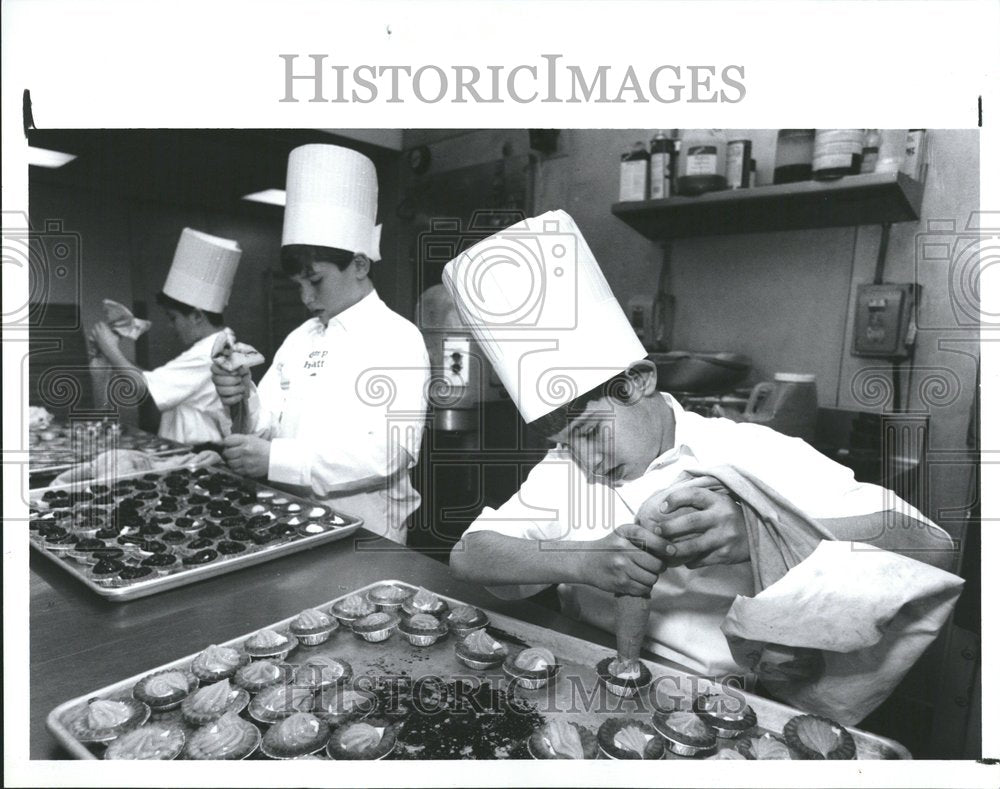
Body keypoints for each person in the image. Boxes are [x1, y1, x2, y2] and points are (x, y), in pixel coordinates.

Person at [444, 210, 959, 706]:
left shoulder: (749, 452)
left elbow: (934, 549)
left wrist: (759, 526)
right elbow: (468, 554)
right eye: (563, 444)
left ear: (640, 381)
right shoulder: (567, 468)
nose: (587, 461)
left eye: (590, 432)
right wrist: (582, 561)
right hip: (586, 664)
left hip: (719, 696)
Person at [212, 144, 429, 545]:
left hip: (368, 534)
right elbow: (266, 424)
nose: (307, 299)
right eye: (299, 285)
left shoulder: (398, 339)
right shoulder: (301, 338)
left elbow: (388, 453)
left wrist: (276, 460)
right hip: (292, 519)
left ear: (360, 265)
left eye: (316, 281)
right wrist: (242, 396)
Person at [89, 228, 242, 448]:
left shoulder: (212, 352)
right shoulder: (220, 344)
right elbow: (153, 380)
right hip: (188, 449)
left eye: (174, 318)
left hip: (202, 452)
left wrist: (111, 349)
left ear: (197, 316)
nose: (172, 326)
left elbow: (144, 389)